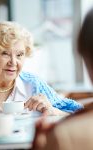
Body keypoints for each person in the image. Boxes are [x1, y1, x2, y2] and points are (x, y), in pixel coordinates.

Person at [32, 8, 93, 150]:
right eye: (4, 53)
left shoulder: (65, 135)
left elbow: (68, 106)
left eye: (19, 55)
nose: (12, 61)